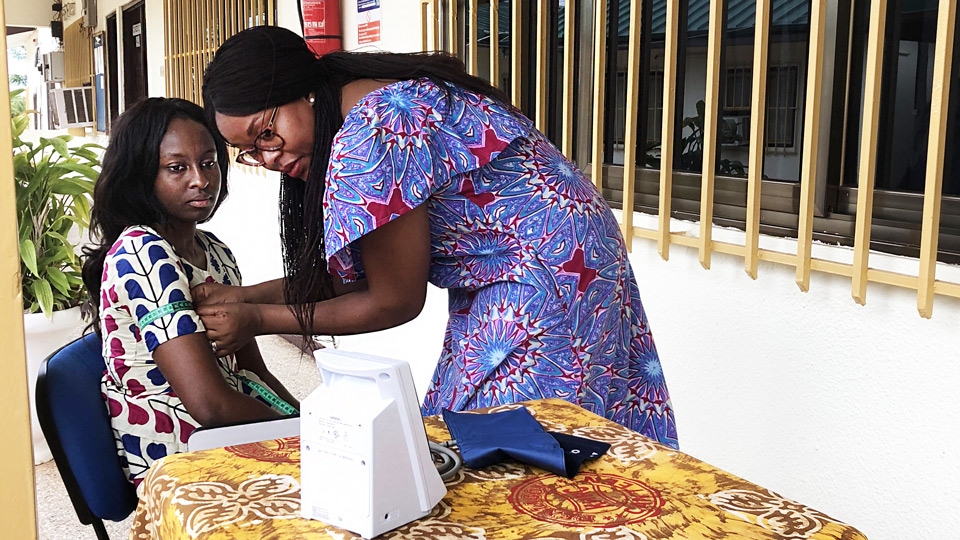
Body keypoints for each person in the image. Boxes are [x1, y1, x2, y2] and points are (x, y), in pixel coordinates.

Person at [198, 26, 677, 448]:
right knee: (501, 431)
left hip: (545, 272)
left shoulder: (367, 136)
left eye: (266, 133)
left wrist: (257, 317)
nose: (269, 157)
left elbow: (393, 301)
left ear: (303, 92)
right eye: (249, 152)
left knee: (500, 443)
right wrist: (242, 298)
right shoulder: (364, 101)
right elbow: (350, 278)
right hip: (566, 256)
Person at [81, 97, 299, 489]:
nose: (200, 179)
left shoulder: (215, 251)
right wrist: (297, 436)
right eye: (177, 168)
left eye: (209, 162)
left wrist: (301, 419)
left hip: (227, 437)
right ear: (142, 176)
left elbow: (252, 369)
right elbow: (210, 406)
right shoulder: (142, 254)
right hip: (179, 459)